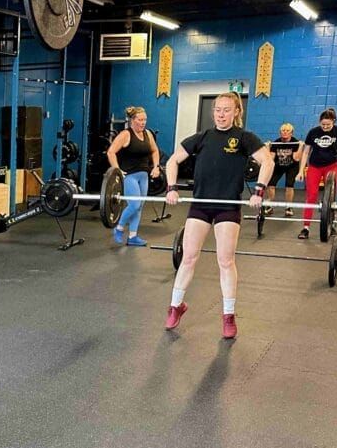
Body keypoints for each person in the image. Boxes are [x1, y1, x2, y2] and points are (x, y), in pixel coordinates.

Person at [164, 92, 273, 339]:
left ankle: (228, 315)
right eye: (217, 110)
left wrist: (259, 190)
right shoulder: (202, 137)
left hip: (227, 205)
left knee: (225, 260)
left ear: (236, 112)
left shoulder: (244, 138)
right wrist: (171, 187)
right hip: (201, 204)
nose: (221, 114)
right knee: (188, 257)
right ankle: (175, 306)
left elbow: (267, 161)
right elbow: (172, 161)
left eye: (226, 110)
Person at [106, 106, 162, 246]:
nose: (143, 123)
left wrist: (156, 167)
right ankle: (119, 228)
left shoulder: (148, 134)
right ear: (132, 120)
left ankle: (132, 237)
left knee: (140, 206)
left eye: (145, 120)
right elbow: (111, 152)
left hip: (144, 175)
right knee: (134, 204)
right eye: (140, 120)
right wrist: (117, 170)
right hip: (129, 175)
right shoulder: (126, 134)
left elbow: (155, 151)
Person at [295, 108, 337, 239]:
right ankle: (305, 228)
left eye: (328, 125)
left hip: (332, 166)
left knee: (332, 196)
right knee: (311, 195)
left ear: (333, 122)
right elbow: (306, 152)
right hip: (314, 166)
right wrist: (301, 171)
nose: (325, 127)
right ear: (319, 122)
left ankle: (332, 225)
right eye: (323, 124)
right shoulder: (313, 132)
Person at [265, 122, 302, 216]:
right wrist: (267, 148)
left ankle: (288, 207)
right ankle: (269, 206)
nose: (285, 132)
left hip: (292, 166)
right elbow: (271, 158)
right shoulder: (276, 142)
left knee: (289, 185)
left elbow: (296, 158)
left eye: (287, 131)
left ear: (291, 133)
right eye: (283, 130)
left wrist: (301, 146)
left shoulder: (295, 142)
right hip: (278, 165)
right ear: (280, 132)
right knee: (271, 184)